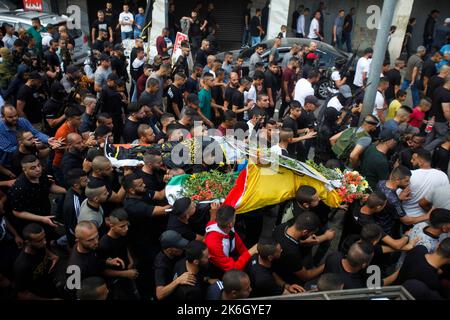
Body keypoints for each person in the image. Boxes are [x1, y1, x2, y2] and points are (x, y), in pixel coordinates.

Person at [9, 155, 66, 237]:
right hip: (31, 220)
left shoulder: (41, 174)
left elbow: (49, 187)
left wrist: (66, 191)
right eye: (33, 168)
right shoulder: (19, 188)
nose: (38, 169)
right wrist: (42, 219)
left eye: (38, 165)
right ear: (24, 170)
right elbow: (17, 212)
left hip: (45, 212)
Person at [272, 211, 326, 285]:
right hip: (286, 277)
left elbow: (286, 240)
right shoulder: (292, 252)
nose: (313, 235)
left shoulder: (282, 227)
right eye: (312, 233)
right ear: (305, 232)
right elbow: (306, 276)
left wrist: (303, 242)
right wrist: (327, 264)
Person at [376, 166, 430, 238]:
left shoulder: (381, 183)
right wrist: (427, 216)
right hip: (388, 231)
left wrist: (399, 198)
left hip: (378, 223)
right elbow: (407, 221)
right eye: (406, 181)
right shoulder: (394, 201)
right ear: (397, 180)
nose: (408, 183)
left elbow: (387, 204)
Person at [98, 208, 139, 300]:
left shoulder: (122, 234)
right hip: (114, 281)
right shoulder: (104, 244)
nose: (126, 229)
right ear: (111, 225)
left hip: (126, 271)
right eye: (122, 226)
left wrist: (130, 260)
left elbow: (124, 246)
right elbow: (103, 270)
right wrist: (124, 274)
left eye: (127, 225)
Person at [204, 205, 257, 277]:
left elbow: (238, 243)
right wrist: (250, 253)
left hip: (229, 256)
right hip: (221, 269)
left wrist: (247, 255)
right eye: (235, 217)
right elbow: (232, 268)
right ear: (231, 224)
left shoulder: (225, 226)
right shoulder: (214, 245)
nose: (236, 218)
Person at [13, 224, 60, 299]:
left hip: (49, 283)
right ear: (28, 242)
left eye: (44, 237)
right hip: (39, 294)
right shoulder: (22, 266)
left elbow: (44, 248)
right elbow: (22, 294)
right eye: (39, 240)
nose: (44, 242)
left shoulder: (39, 245)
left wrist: (52, 256)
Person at [401, 150, 449, 218]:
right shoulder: (442, 175)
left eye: (414, 159)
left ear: (421, 162)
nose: (411, 161)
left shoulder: (408, 176)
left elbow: (397, 196)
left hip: (408, 217)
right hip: (429, 217)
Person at [154, 230, 190, 301]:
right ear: (169, 250)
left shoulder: (178, 253)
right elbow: (159, 294)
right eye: (179, 246)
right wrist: (178, 281)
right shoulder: (161, 266)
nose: (182, 248)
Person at [63, 169, 88, 248]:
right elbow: (78, 225)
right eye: (85, 180)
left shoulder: (80, 190)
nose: (89, 181)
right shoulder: (74, 204)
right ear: (76, 185)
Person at [424, 76, 450, 151]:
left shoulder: (437, 89)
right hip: (440, 121)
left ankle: (423, 151)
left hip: (431, 117)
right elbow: (446, 111)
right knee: (443, 137)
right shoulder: (447, 95)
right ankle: (425, 150)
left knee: (429, 135)